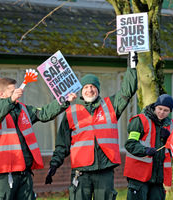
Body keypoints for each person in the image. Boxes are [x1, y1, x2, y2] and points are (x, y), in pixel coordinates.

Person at [45, 53, 138, 200]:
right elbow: (62, 143)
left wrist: (132, 67)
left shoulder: (111, 105)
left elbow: (127, 91)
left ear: (98, 89)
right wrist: (54, 164)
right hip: (81, 172)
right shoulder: (71, 112)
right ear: (81, 91)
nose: (89, 90)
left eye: (93, 86)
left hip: (105, 170)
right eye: (86, 87)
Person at [0, 77, 77, 200]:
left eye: (17, 90)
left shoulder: (22, 108)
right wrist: (10, 100)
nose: (17, 93)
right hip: (3, 173)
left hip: (24, 171)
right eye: (13, 91)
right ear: (2, 94)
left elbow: (44, 113)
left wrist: (64, 100)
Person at [123, 94, 173, 200]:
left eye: (166, 110)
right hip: (139, 176)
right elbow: (130, 144)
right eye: (159, 108)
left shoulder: (170, 125)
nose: (161, 112)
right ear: (155, 106)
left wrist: (168, 139)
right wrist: (145, 150)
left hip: (158, 178)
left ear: (170, 111)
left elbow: (172, 151)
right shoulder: (140, 121)